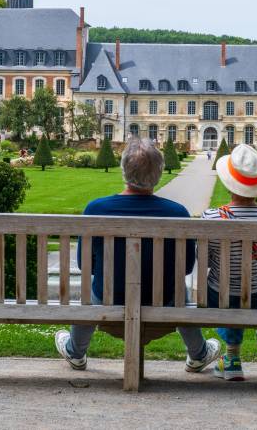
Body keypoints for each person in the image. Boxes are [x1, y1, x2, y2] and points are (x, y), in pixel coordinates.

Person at [55, 137, 220, 372]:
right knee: (179, 289)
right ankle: (199, 353)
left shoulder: (96, 209)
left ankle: (75, 351)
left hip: (109, 298)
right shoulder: (177, 213)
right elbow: (186, 268)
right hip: (163, 300)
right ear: (160, 173)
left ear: (123, 170)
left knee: (91, 287)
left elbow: (85, 265)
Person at [202, 144, 257, 381]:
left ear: (228, 183)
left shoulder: (211, 217)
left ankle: (231, 359)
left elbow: (204, 260)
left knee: (228, 293)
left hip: (221, 296)